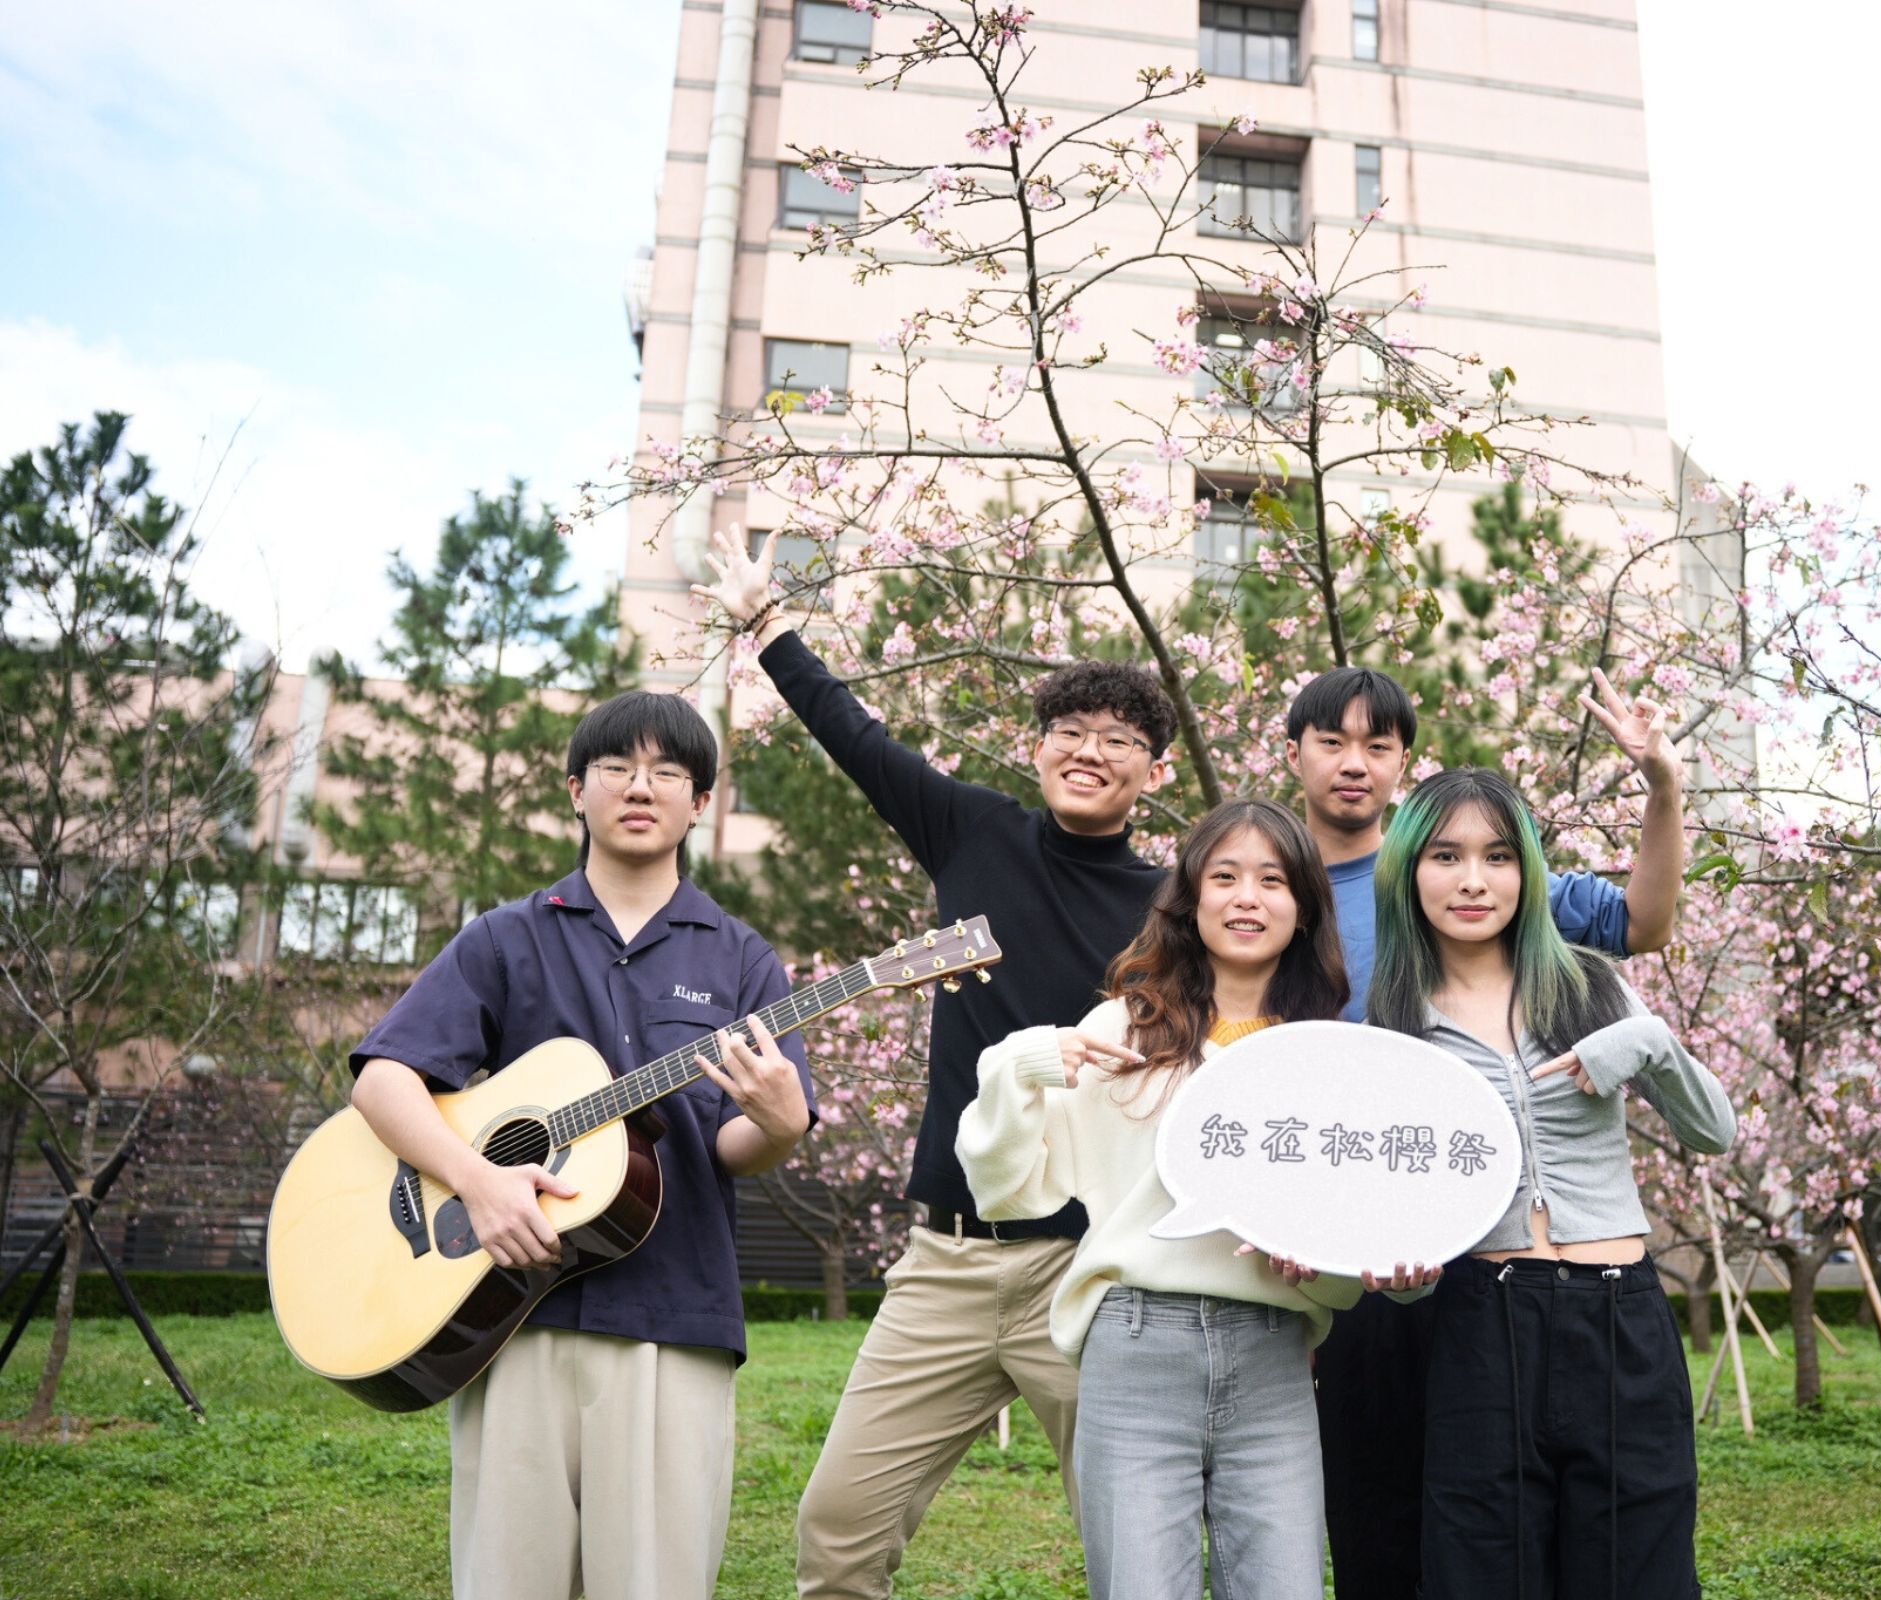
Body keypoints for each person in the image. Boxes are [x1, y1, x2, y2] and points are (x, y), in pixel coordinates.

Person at [691, 528, 1179, 1599]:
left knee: (1141, 1552)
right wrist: (769, 627)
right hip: (947, 1261)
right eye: (1066, 729)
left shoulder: (1175, 910)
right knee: (836, 1532)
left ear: (1157, 765)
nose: (1086, 747)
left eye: (1115, 734)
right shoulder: (974, 831)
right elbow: (855, 737)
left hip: (1089, 1266)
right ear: (1038, 747)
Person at [349, 691, 819, 1600]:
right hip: (512, 1315)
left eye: (669, 773)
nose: (641, 788)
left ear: (700, 804)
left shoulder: (742, 959)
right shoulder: (504, 937)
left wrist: (781, 1124)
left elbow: (736, 1148)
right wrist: (476, 1182)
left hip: (675, 1319)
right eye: (617, 768)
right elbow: (383, 1079)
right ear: (576, 791)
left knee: (654, 1583)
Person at [957, 797, 1438, 1599]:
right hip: (1137, 1349)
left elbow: (1347, 1260)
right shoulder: (1123, 1029)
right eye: (1225, 876)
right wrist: (1024, 1063)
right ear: (1190, 897)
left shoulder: (1330, 1060)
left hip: (1276, 1360)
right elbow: (1008, 1192)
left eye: (1274, 880)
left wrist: (1376, 1266)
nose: (1248, 897)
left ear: (1305, 908)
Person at [1287, 664, 1687, 1598]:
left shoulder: (1480, 871)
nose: (1355, 763)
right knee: (1388, 1513)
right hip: (1379, 1238)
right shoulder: (1269, 885)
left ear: (1403, 766)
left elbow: (1645, 919)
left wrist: (1663, 785)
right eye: (1333, 742)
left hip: (1502, 1261)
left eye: (1377, 746)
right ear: (1293, 752)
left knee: (1530, 1530)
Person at [1367, 767, 1734, 1600]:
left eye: (1498, 856)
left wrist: (1646, 1041)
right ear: (1406, 872)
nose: (1472, 880)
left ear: (1529, 871)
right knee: (1481, 1568)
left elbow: (1714, 1131)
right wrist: (1399, 1284)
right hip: (1480, 1322)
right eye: (1444, 855)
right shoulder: (1391, 1027)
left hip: (1619, 1319)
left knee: (1638, 1566)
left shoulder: (1592, 984)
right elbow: (1393, 1220)